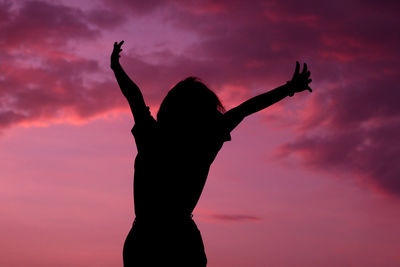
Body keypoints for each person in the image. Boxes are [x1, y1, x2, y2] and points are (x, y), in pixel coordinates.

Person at [111, 41, 312, 267]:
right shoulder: (205, 140)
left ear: (169, 108)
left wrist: (116, 67)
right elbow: (245, 109)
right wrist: (288, 89)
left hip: (147, 242)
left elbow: (134, 97)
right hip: (180, 242)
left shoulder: (154, 136)